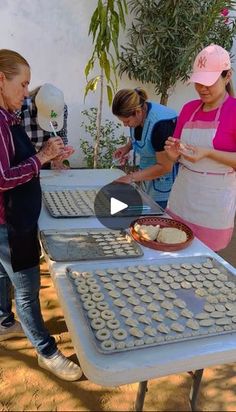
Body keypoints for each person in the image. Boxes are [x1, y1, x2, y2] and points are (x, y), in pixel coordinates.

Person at [0, 49, 82, 381]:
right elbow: (3, 178)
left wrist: (49, 156)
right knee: (27, 287)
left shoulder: (9, 118)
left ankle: (4, 319)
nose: (25, 92)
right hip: (10, 222)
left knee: (3, 275)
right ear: (1, 80)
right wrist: (42, 157)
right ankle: (47, 351)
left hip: (12, 218)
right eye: (23, 84)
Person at [165, 44, 236, 251]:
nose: (202, 88)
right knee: (172, 250)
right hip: (183, 195)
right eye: (198, 83)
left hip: (214, 202)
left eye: (209, 82)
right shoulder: (188, 109)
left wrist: (209, 153)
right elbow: (175, 156)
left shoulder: (234, 111)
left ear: (227, 76)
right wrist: (172, 155)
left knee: (203, 263)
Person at [112, 88, 178, 208]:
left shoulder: (161, 125)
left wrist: (130, 177)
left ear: (138, 112)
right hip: (148, 178)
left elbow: (165, 166)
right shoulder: (138, 115)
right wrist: (127, 147)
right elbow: (141, 137)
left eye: (127, 121)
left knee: (156, 220)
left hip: (165, 185)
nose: (125, 125)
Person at [19, 83, 71, 169]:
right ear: (36, 106)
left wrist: (59, 156)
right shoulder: (21, 107)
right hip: (24, 163)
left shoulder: (60, 107)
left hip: (47, 163)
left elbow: (61, 135)